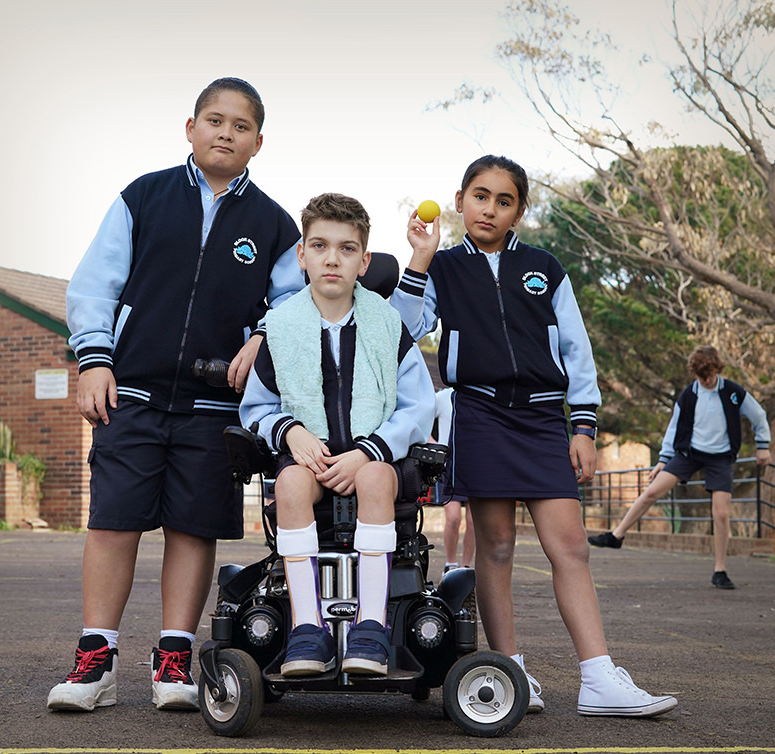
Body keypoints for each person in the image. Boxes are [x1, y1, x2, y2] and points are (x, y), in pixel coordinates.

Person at [48, 77, 305, 713]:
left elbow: (291, 305)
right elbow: (94, 285)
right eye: (214, 120)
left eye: (240, 126)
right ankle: (96, 659)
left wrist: (263, 339)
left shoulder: (274, 225)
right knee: (113, 522)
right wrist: (93, 360)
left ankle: (172, 656)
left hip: (214, 406)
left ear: (258, 143)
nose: (225, 132)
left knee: (192, 528)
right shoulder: (144, 197)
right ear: (188, 128)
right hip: (129, 391)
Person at [393, 154, 676, 717]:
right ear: (460, 200)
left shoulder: (546, 267)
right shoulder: (443, 268)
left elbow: (577, 348)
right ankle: (510, 671)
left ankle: (598, 678)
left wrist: (584, 425)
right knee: (494, 548)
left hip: (545, 420)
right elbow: (403, 328)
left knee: (569, 546)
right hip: (480, 415)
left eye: (504, 200)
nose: (490, 209)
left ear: (520, 209)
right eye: (480, 195)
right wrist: (420, 259)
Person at [240, 193, 435, 677]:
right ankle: (309, 628)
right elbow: (256, 409)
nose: (333, 258)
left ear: (364, 261)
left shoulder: (387, 324)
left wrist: (371, 451)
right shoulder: (280, 328)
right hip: (309, 459)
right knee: (287, 483)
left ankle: (372, 627)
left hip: (373, 460)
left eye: (347, 249)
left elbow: (419, 404)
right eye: (320, 246)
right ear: (302, 255)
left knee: (373, 479)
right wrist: (290, 433)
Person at [588, 346, 772, 590]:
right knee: (652, 491)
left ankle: (720, 570)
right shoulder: (688, 395)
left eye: (710, 375)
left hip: (721, 458)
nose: (706, 381)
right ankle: (616, 535)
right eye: (701, 376)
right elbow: (673, 429)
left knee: (721, 514)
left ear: (717, 369)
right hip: (689, 453)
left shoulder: (733, 392)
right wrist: (664, 459)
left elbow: (758, 415)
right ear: (695, 374)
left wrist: (763, 446)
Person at [433, 387, 474, 571]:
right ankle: (450, 564)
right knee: (453, 518)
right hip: (448, 462)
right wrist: (434, 445)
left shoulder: (476, 396)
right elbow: (420, 416)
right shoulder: (442, 397)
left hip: (474, 460)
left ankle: (466, 566)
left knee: (475, 521)